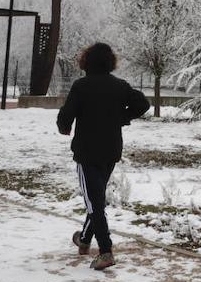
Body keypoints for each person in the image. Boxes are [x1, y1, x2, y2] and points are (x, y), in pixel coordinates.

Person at [56, 42, 150, 270]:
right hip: (111, 152)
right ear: (110, 62)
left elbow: (65, 117)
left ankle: (106, 251)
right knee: (95, 199)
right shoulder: (120, 86)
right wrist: (122, 117)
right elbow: (143, 104)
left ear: (86, 62)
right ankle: (85, 240)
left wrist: (64, 127)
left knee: (94, 203)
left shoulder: (81, 86)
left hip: (87, 152)